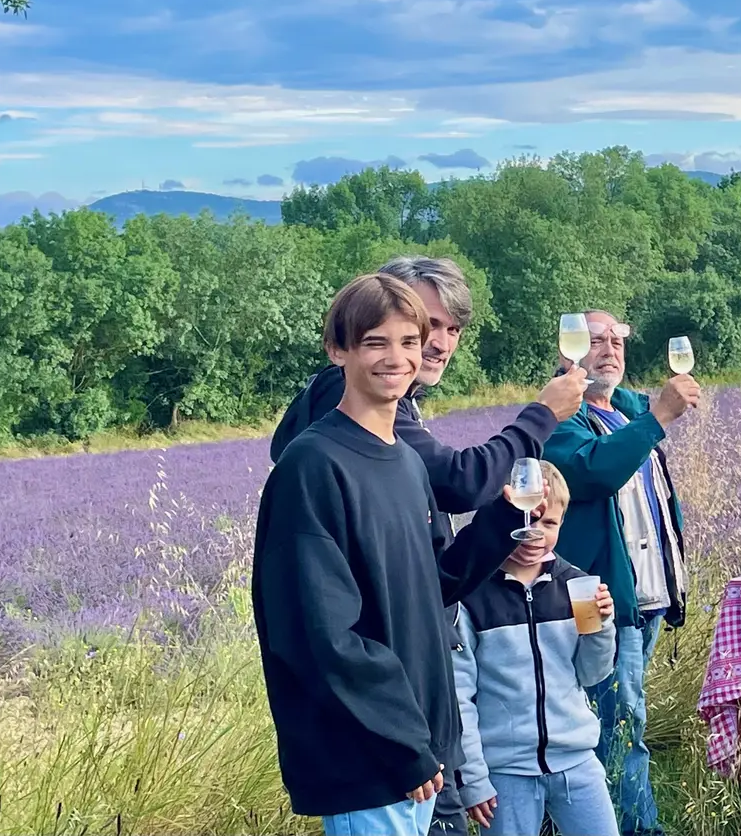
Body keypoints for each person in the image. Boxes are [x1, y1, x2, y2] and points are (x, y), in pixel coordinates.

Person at [268, 256, 587, 835]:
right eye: (375, 342)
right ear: (337, 351)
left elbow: (431, 585)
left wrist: (501, 518)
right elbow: (325, 637)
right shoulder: (312, 467)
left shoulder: (404, 462)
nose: (399, 357)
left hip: (424, 746)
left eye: (410, 340)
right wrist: (406, 743)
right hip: (371, 758)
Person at [269, 255, 589, 514]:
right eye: (430, 325)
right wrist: (543, 415)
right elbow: (459, 483)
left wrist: (503, 527)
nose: (442, 344)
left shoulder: (397, 401)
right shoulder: (349, 397)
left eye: (454, 329)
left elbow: (432, 563)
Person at [541, 310, 697, 836]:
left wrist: (658, 408)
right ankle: (635, 828)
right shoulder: (559, 422)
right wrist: (657, 420)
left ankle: (572, 818)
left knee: (615, 719)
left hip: (645, 597)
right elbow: (593, 471)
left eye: (617, 339)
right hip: (597, 598)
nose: (610, 348)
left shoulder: (623, 409)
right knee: (620, 726)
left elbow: (639, 412)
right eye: (595, 340)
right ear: (569, 352)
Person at [453, 461, 619, 836]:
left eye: (548, 523)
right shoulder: (470, 596)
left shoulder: (576, 585)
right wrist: (474, 778)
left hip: (576, 759)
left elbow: (592, 673)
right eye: (525, 520)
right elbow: (459, 694)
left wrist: (602, 626)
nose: (534, 534)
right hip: (504, 771)